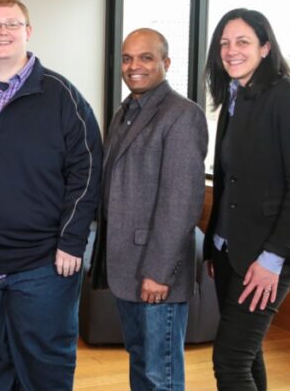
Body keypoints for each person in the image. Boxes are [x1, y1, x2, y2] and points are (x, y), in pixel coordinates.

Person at [0, 0, 102, 390]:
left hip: (43, 266)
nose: (3, 32)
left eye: (12, 24)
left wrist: (72, 241)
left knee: (46, 367)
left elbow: (87, 170)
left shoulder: (62, 96)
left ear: (28, 31)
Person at [203, 8, 290, 390]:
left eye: (243, 42)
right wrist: (215, 245)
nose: (231, 50)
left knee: (230, 360)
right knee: (248, 355)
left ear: (265, 48)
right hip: (229, 252)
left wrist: (272, 260)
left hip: (268, 255)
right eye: (224, 43)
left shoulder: (289, 98)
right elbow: (228, 183)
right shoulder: (234, 100)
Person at [92, 28, 208, 390]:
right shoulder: (125, 111)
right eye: (127, 58)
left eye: (145, 58)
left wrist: (159, 272)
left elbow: (181, 201)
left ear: (166, 63)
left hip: (157, 273)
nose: (134, 66)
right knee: (141, 361)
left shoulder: (182, 115)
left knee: (162, 375)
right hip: (126, 266)